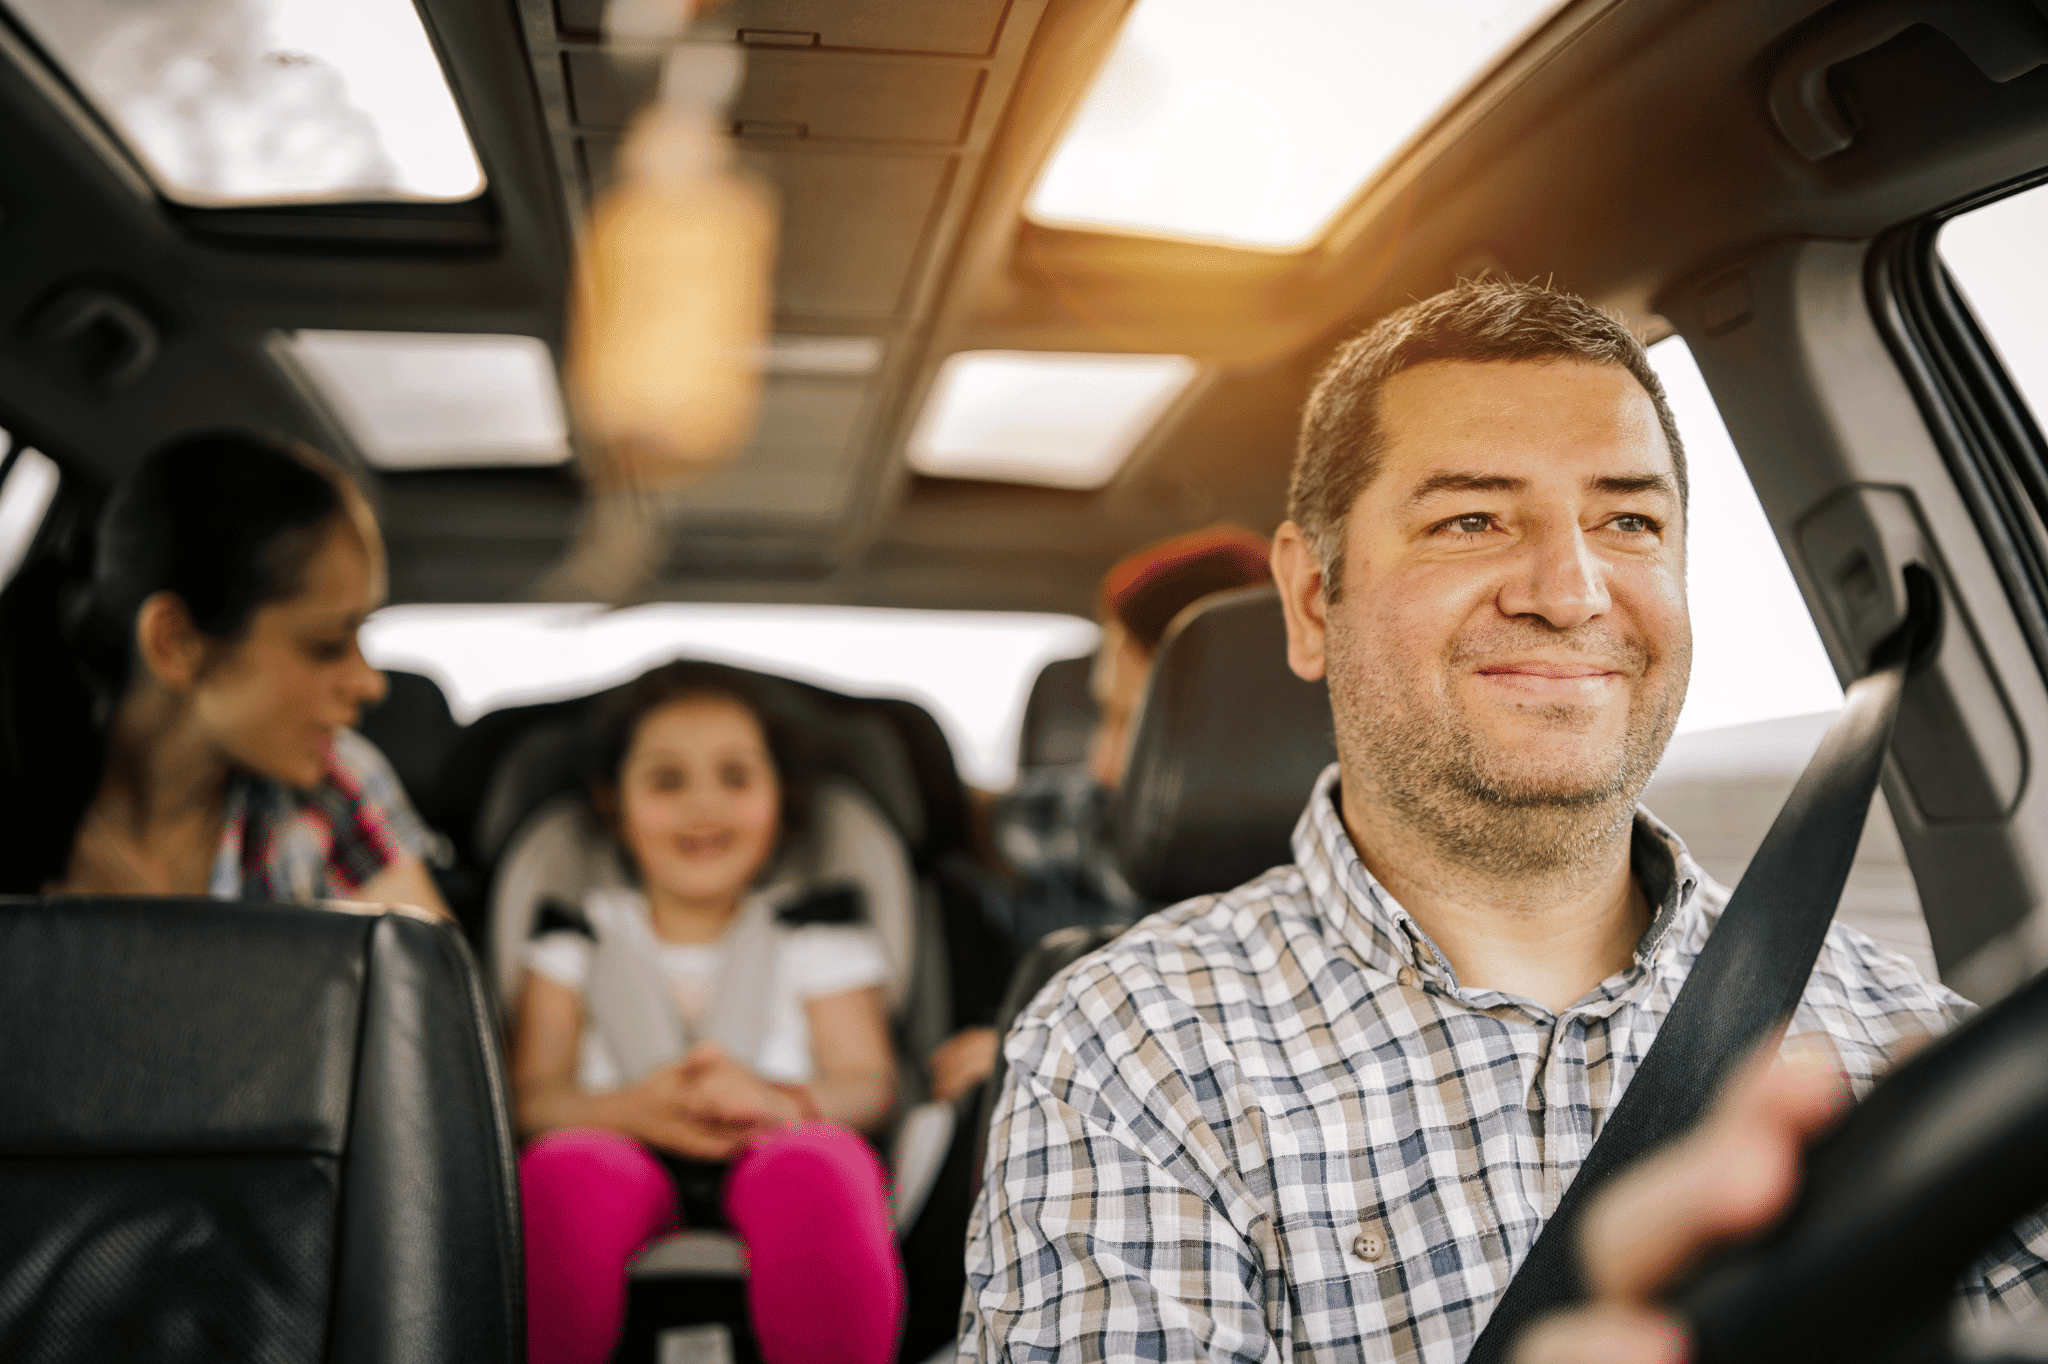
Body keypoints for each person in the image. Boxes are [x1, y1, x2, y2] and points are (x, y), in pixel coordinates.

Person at [959, 280, 2048, 1358]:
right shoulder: (1128, 1047)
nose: (1568, 591)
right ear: (1307, 601)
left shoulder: (1906, 1038)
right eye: (1470, 518)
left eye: (1627, 519)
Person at [511, 660, 904, 1364]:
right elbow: (534, 1095)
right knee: (560, 1175)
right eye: (666, 780)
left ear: (781, 799)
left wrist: (778, 1103)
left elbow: (866, 1079)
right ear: (613, 805)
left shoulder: (815, 933)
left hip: (775, 1139)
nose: (703, 806)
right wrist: (634, 1110)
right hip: (618, 1136)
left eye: (736, 777)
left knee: (824, 1165)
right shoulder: (576, 934)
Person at [0, 429, 447, 913]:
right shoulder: (21, 818)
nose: (372, 683)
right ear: (176, 642)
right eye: (327, 644)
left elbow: (427, 983)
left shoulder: (335, 794)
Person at [925, 527, 1273, 1106]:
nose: (1101, 763)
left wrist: (1049, 1045)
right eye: (1100, 715)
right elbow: (969, 815)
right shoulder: (1081, 819)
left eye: (1132, 725)